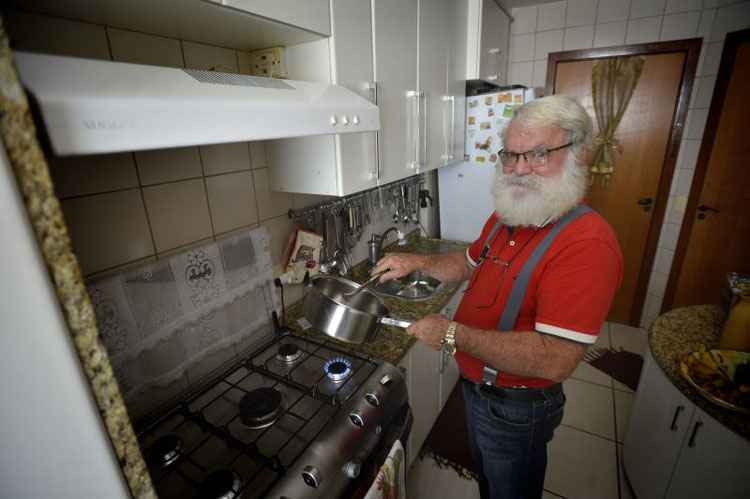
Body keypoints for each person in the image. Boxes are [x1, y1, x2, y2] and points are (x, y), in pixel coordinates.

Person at [371, 95, 623, 499]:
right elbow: (469, 262)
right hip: (478, 388)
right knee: (491, 481)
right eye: (511, 155)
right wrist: (415, 261)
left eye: (539, 154)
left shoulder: (587, 243)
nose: (519, 169)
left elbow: (556, 358)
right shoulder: (511, 213)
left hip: (517, 406)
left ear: (577, 154)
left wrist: (454, 335)